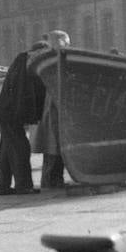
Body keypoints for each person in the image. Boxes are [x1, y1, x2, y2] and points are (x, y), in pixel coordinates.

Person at [0, 40, 47, 196]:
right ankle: (24, 186)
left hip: (6, 111)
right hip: (10, 114)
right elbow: (23, 94)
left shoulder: (21, 61)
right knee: (20, 149)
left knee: (6, 151)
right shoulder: (25, 64)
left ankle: (4, 186)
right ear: (36, 53)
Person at [36, 30, 70, 188]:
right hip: (54, 111)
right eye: (65, 41)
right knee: (54, 148)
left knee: (54, 148)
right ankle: (51, 181)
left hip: (54, 110)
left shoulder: (47, 59)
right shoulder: (54, 58)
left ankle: (52, 180)